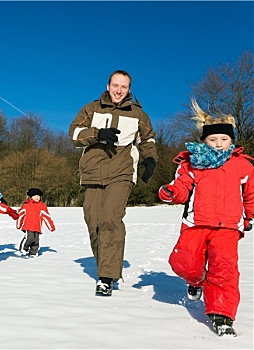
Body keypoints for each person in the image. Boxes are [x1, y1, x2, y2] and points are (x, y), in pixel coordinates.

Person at [158, 99, 254, 336]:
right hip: (195, 224)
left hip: (228, 227)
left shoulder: (243, 166)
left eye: (224, 139)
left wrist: (250, 216)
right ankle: (197, 280)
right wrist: (171, 193)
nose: (219, 144)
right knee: (184, 263)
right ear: (204, 140)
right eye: (213, 139)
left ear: (232, 140)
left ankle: (222, 316)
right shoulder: (192, 164)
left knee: (224, 270)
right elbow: (181, 186)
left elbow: (250, 194)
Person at [68, 70, 158, 296]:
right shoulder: (91, 108)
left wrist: (150, 159)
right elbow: (74, 134)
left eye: (124, 87)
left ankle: (106, 276)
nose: (119, 90)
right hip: (93, 171)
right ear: (108, 86)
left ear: (129, 89)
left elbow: (147, 139)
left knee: (110, 218)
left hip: (122, 171)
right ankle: (106, 266)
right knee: (93, 220)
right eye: (115, 85)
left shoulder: (138, 114)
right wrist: (98, 134)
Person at [15, 188, 55, 258]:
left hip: (37, 227)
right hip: (28, 226)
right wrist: (19, 225)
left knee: (36, 241)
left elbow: (46, 217)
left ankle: (33, 253)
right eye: (34, 196)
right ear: (30, 197)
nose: (37, 197)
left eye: (38, 196)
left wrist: (51, 227)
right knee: (30, 239)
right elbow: (20, 216)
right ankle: (23, 249)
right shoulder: (26, 205)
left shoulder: (42, 206)